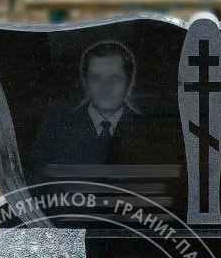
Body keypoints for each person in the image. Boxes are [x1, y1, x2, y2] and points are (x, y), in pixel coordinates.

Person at [30, 40, 140, 170]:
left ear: (129, 83)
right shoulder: (56, 129)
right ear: (86, 82)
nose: (105, 88)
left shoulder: (146, 129)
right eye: (96, 78)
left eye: (114, 79)